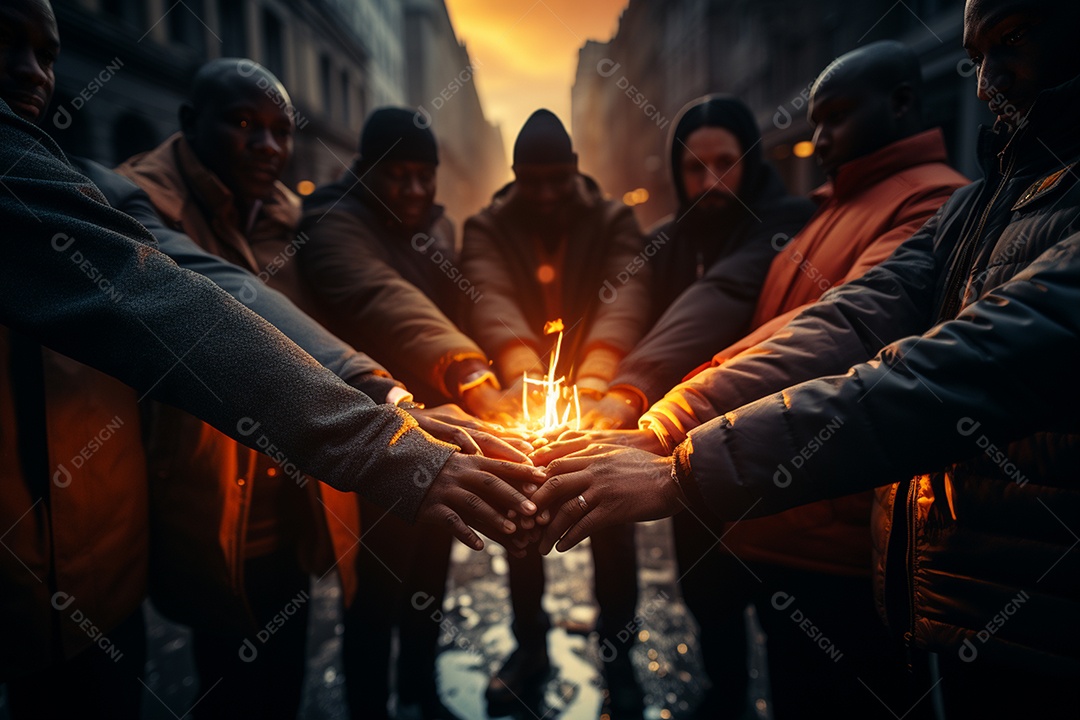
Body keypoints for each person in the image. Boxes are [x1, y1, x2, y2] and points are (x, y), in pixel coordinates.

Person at [532, 0, 1080, 716]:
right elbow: (845, 321)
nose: (985, 84)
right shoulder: (981, 204)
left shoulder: (931, 200)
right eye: (975, 58)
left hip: (1045, 613)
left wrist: (685, 467)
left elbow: (958, 368)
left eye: (1009, 41)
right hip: (962, 595)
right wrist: (669, 422)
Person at [0, 3, 540, 717]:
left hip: (154, 549)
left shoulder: (285, 216)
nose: (31, 72)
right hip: (180, 522)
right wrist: (385, 432)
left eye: (46, 50)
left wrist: (386, 395)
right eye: (244, 124)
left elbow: (231, 291)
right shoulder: (132, 193)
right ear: (190, 121)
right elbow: (164, 298)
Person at [300, 107, 493, 720]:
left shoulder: (439, 231)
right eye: (397, 175)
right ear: (366, 170)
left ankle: (419, 690)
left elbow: (463, 304)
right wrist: (467, 369)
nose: (412, 190)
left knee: (430, 577)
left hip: (441, 435)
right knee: (375, 593)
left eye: (423, 176)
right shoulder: (333, 220)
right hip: (372, 435)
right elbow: (385, 299)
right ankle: (369, 707)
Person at [462, 109, 649, 718]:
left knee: (615, 531)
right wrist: (521, 373)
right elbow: (488, 294)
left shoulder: (615, 219)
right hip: (523, 400)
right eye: (530, 180)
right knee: (521, 524)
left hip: (598, 396)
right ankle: (530, 650)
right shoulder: (486, 227)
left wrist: (596, 377)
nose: (543, 193)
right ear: (515, 175)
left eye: (555, 179)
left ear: (574, 170)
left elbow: (626, 295)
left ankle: (619, 662)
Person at [581, 95, 814, 430]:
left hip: (758, 422)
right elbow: (627, 300)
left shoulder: (789, 223)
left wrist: (630, 387)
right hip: (659, 426)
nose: (711, 182)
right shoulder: (661, 240)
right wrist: (595, 372)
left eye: (726, 163)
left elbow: (724, 291)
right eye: (695, 167)